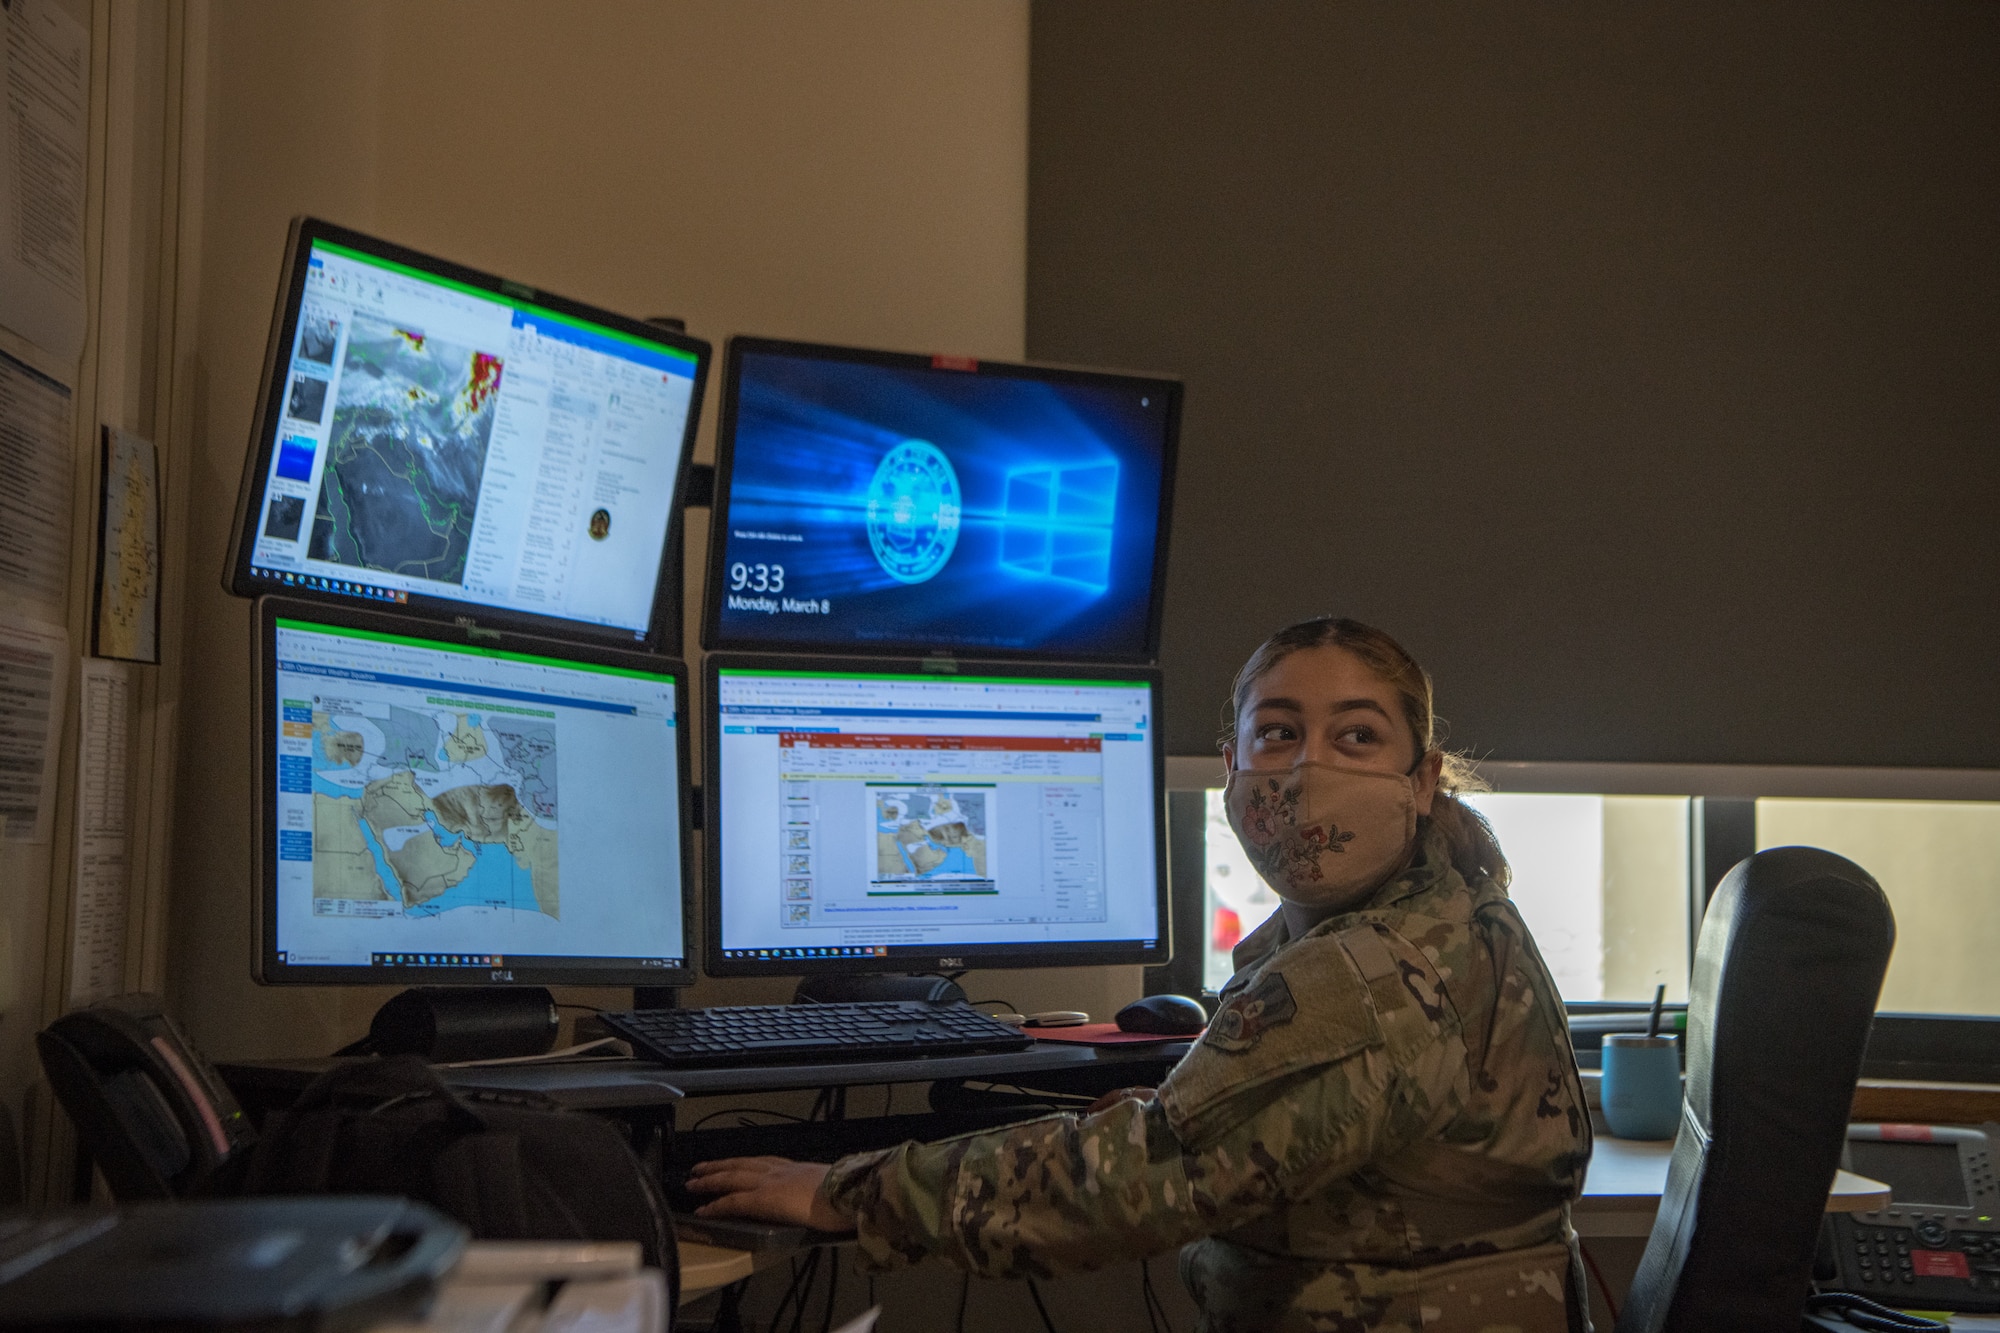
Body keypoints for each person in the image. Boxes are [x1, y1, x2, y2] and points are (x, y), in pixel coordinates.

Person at [689, 617, 1594, 1332]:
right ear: (1233, 766)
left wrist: (846, 1190)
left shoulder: (1366, 974)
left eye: (1356, 735)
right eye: (1278, 732)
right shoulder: (1451, 908)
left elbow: (1139, 1182)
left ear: (1422, 776)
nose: (1309, 766)